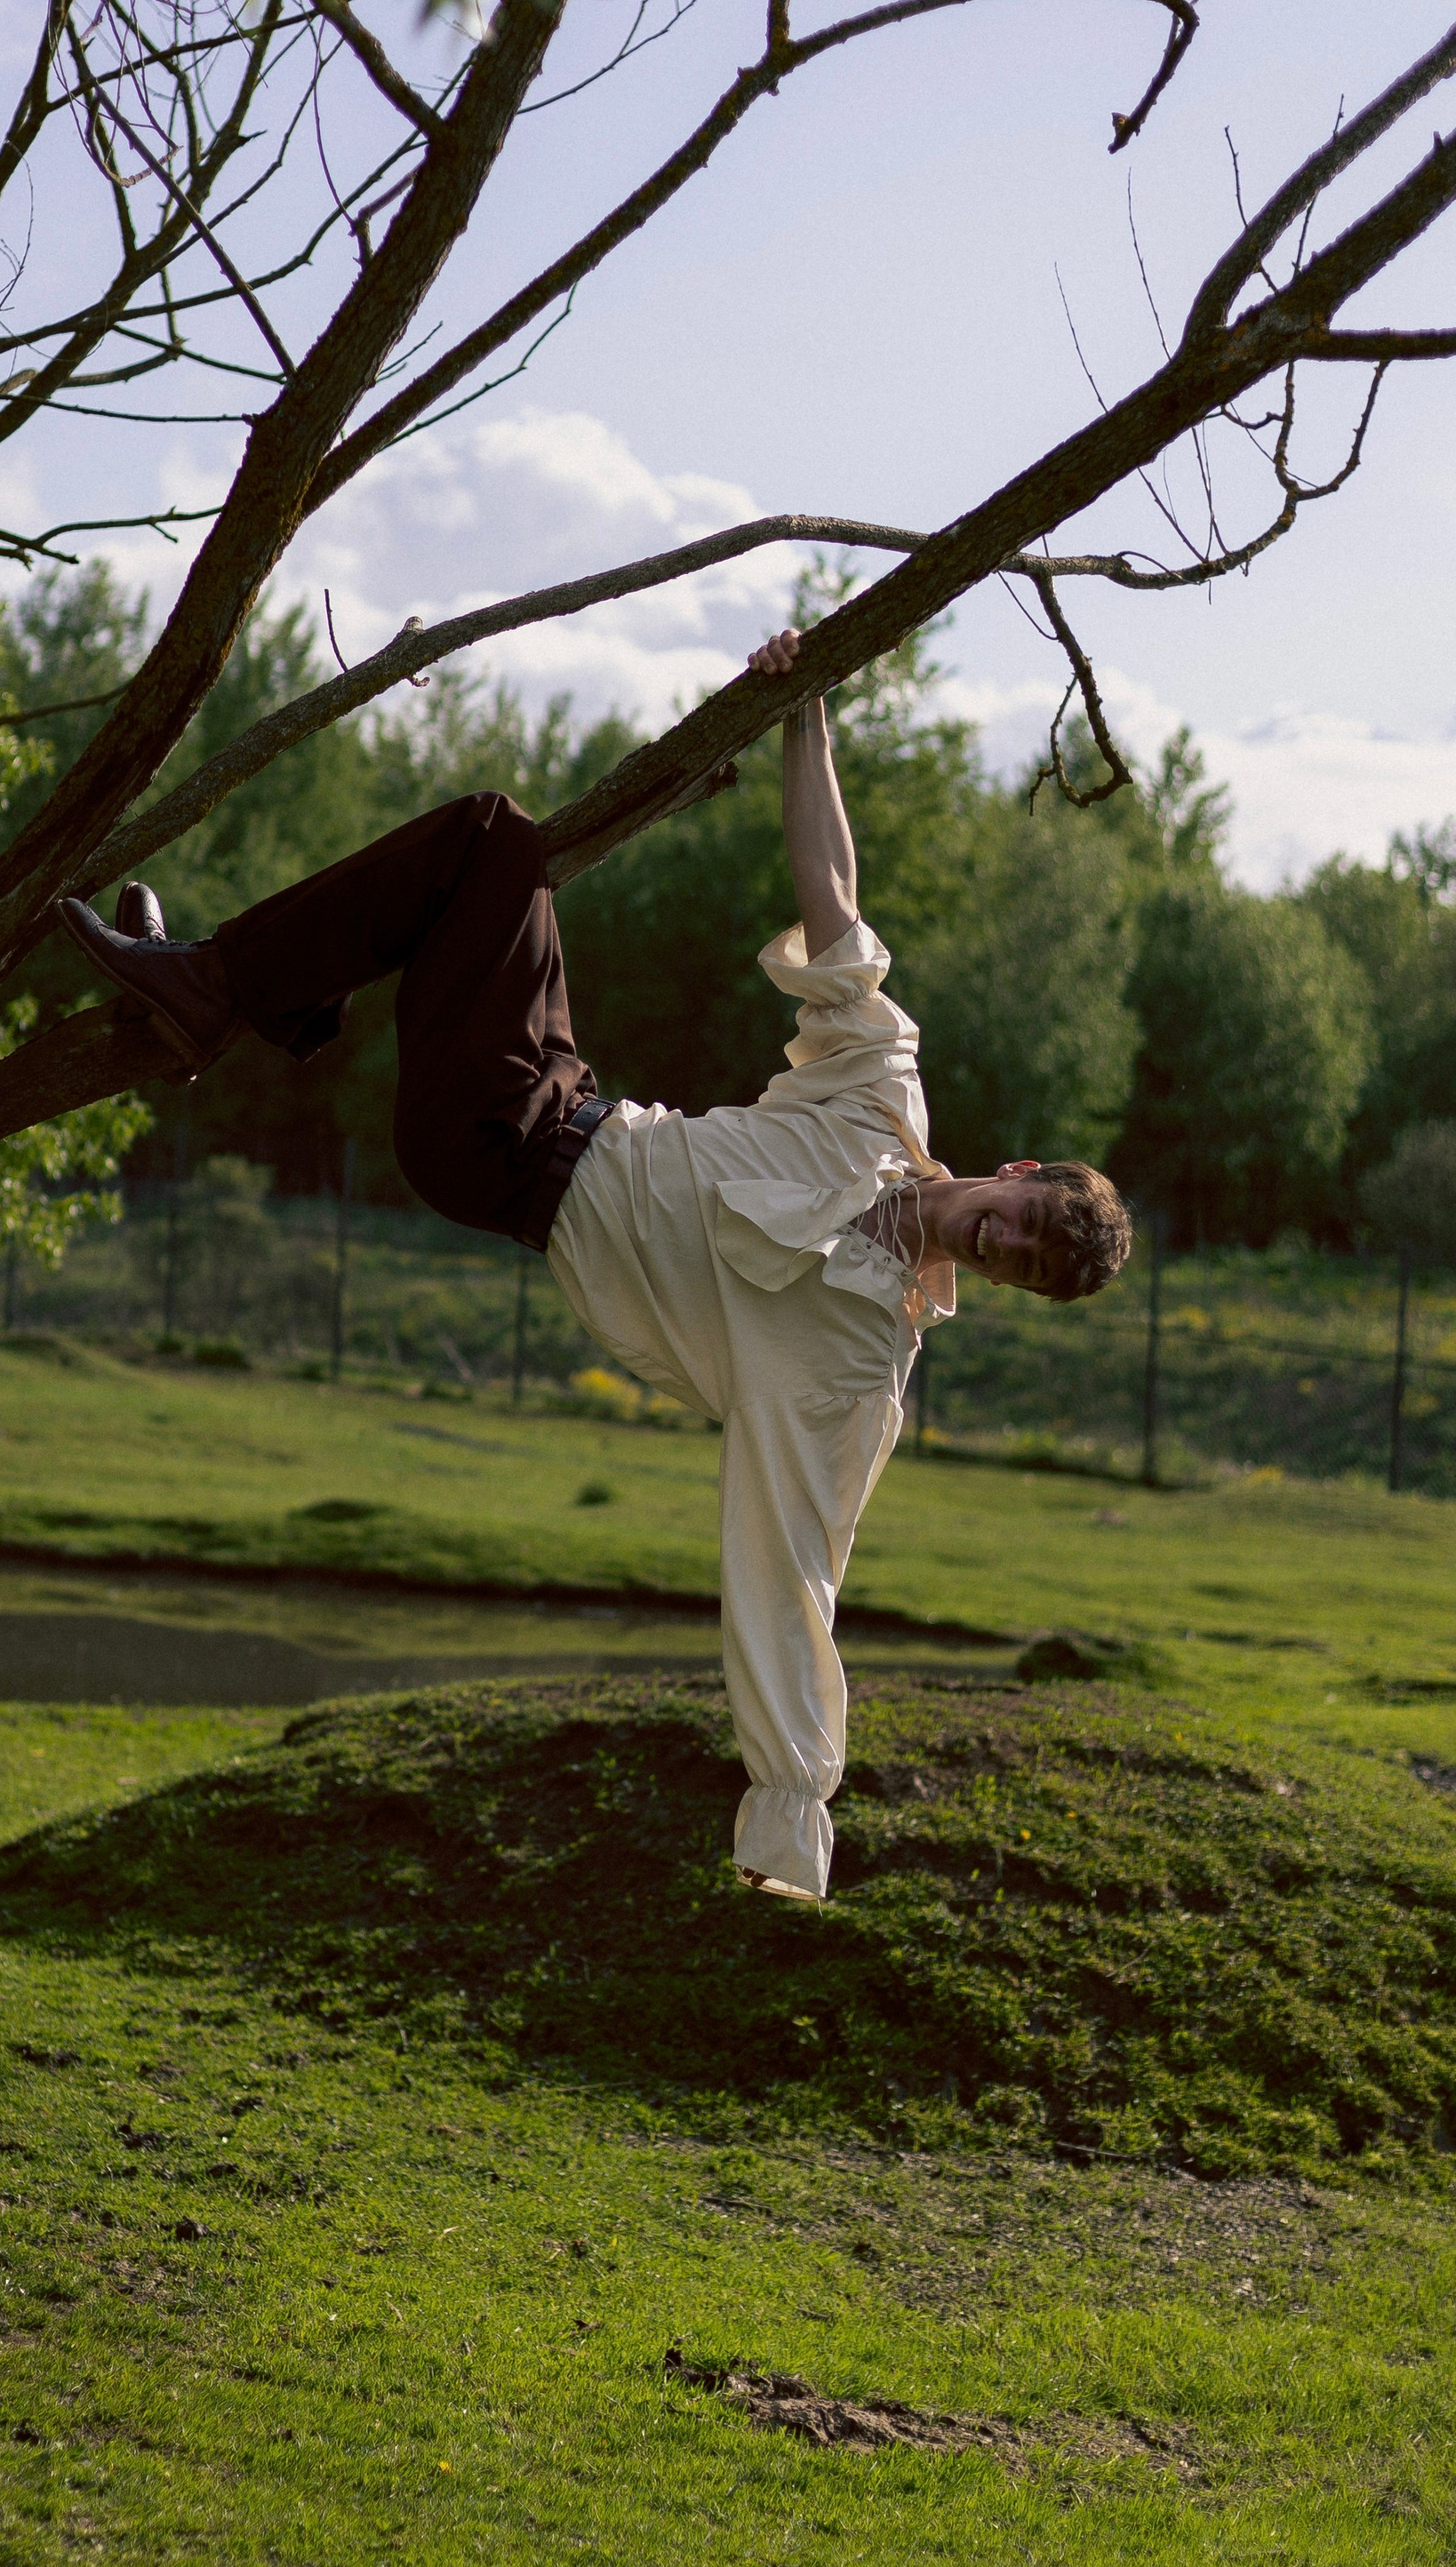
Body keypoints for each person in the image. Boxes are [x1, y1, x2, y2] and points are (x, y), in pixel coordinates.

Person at [57, 628, 1132, 1902]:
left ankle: (225, 988)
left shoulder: (855, 1366)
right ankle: (253, 992)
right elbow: (837, 906)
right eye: (1023, 1218)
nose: (1002, 1243)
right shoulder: (877, 1101)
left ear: (1009, 1286)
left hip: (501, 1156)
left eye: (1022, 1266)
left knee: (488, 842)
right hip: (570, 1093)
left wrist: (790, 1822)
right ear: (1017, 1171)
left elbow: (795, 1569)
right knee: (492, 858)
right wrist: (806, 706)